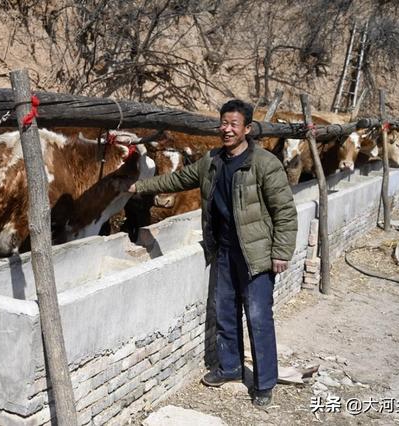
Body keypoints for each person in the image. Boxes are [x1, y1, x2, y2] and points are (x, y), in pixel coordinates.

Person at [127, 99, 297, 406]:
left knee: (258, 317)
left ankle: (264, 382)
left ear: (247, 128)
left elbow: (285, 211)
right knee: (225, 312)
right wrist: (140, 187)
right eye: (224, 123)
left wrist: (281, 251)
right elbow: (179, 179)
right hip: (224, 250)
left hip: (255, 254)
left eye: (234, 124)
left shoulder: (264, 163)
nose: (227, 130)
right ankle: (230, 367)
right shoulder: (213, 160)